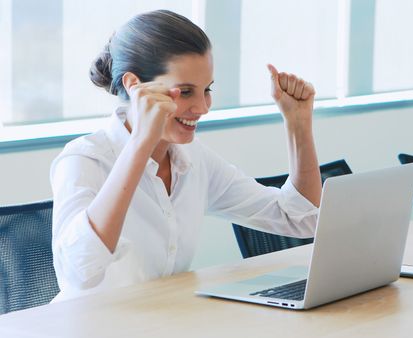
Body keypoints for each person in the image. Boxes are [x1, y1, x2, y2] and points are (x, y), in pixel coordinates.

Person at [49, 10, 322, 302]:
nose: (203, 107)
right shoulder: (84, 160)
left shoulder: (191, 159)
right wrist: (142, 142)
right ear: (134, 85)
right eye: (186, 91)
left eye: (207, 90)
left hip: (163, 321)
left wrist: (298, 123)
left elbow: (300, 219)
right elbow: (80, 273)